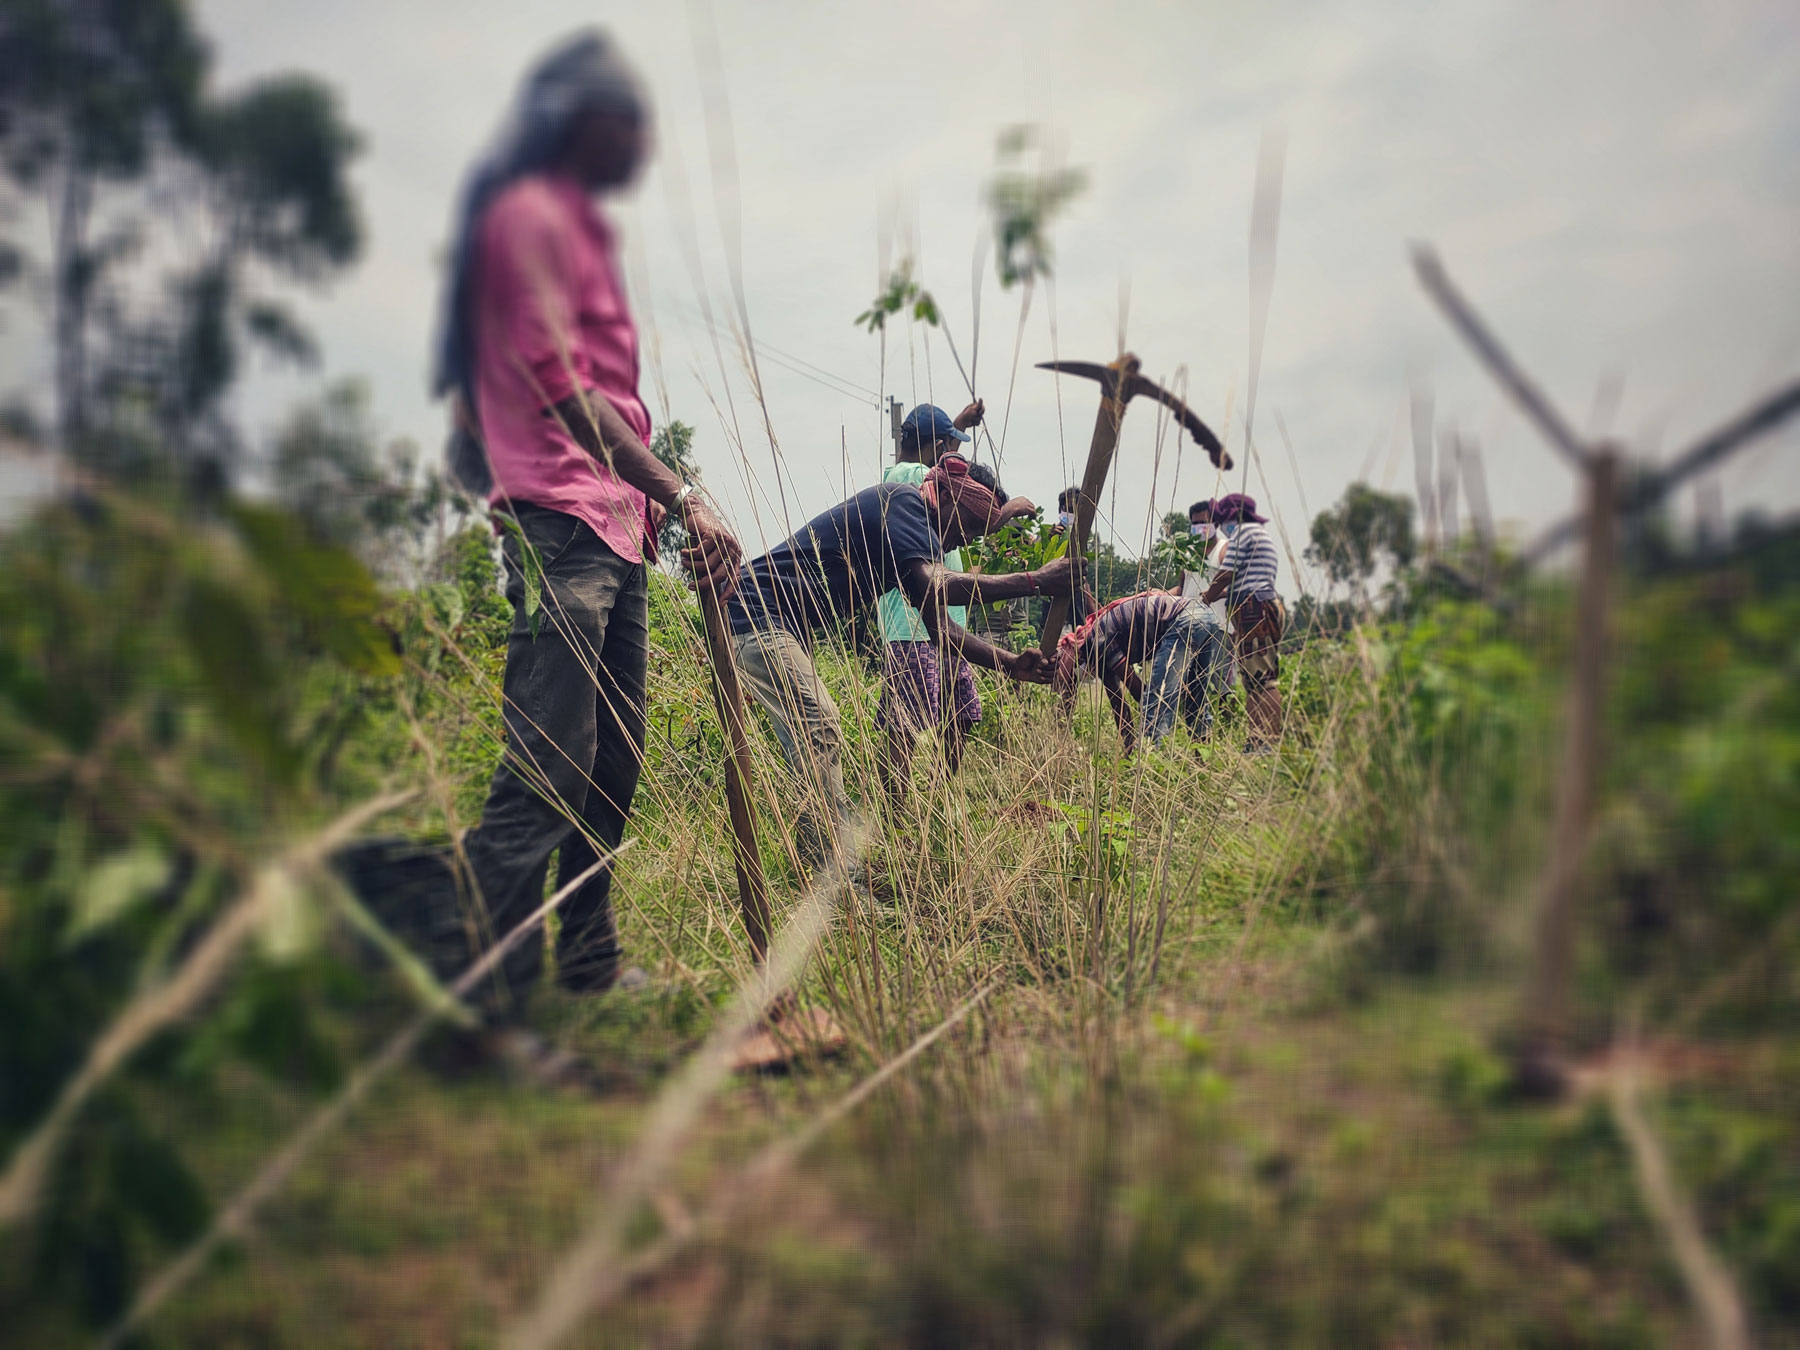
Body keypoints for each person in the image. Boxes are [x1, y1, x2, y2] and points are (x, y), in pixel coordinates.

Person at [421, 31, 741, 1014]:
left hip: (616, 532)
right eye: (631, 122)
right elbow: (564, 392)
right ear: (585, 121)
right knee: (545, 769)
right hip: (559, 527)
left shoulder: (584, 232)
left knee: (611, 767)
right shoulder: (525, 219)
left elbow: (607, 395)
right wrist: (684, 493)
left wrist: (654, 509)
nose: (644, 143)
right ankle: (486, 1002)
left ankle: (588, 962)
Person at [726, 457, 1067, 866]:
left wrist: (1010, 663)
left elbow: (941, 631)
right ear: (946, 495)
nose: (962, 542)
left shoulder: (913, 545)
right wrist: (1034, 581)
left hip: (776, 624)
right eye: (968, 526)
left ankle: (827, 861)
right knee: (819, 725)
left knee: (813, 731)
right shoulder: (905, 502)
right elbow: (939, 585)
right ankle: (833, 870)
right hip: (755, 614)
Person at [875, 403, 1034, 800]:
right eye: (948, 447)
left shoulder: (922, 473)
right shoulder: (908, 477)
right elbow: (959, 486)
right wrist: (1004, 512)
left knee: (962, 712)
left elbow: (951, 476)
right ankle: (896, 813)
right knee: (905, 723)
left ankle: (936, 796)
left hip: (948, 627)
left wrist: (958, 425)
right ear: (937, 449)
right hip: (911, 626)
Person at [1053, 589, 1226, 754]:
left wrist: (1160, 703)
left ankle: (1150, 761)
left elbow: (1136, 688)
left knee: (1156, 702)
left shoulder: (1098, 639)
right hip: (1205, 617)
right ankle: (1201, 757)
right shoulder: (1099, 654)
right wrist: (1128, 744)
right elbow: (1118, 705)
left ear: (1078, 656)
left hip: (1185, 619)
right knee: (1196, 698)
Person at [1201, 492, 1283, 752]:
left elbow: (1226, 574)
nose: (1222, 525)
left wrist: (1207, 597)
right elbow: (1240, 581)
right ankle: (1255, 739)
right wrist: (1220, 595)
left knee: (1263, 680)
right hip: (1255, 607)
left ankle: (1267, 741)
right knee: (1253, 681)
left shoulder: (1244, 533)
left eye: (1223, 519)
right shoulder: (1259, 536)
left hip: (1254, 610)